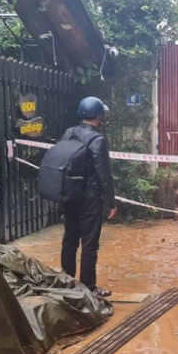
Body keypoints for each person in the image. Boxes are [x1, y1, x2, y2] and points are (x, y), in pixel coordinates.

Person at [60, 96, 117, 298]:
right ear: (99, 116)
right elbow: (104, 175)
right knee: (89, 244)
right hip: (90, 198)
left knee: (69, 239)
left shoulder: (69, 133)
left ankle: (66, 284)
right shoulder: (97, 140)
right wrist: (111, 202)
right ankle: (89, 288)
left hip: (69, 194)